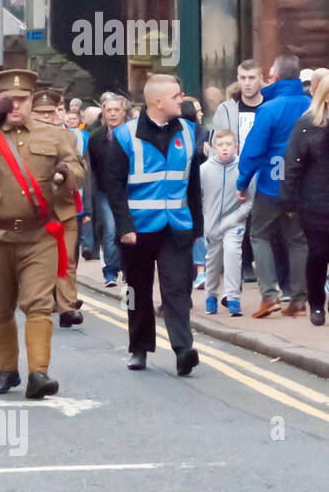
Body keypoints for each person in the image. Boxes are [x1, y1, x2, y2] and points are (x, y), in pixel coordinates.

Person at [0, 69, 83, 397]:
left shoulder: (55, 135)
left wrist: (65, 176)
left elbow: (77, 167)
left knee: (38, 304)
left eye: (22, 100)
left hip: (38, 235)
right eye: (8, 100)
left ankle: (38, 373)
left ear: (32, 101)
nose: (15, 106)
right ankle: (7, 371)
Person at [103, 74, 207, 375]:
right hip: (137, 228)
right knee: (138, 290)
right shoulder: (125, 136)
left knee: (177, 289)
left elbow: (193, 184)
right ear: (158, 102)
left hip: (176, 226)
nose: (182, 99)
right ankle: (139, 348)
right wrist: (124, 228)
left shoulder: (189, 132)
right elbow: (114, 185)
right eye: (176, 96)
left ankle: (183, 349)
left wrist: (196, 227)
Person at [238, 55, 311, 317]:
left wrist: (242, 182)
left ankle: (269, 296)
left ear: (276, 77)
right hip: (302, 186)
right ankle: (299, 300)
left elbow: (253, 151)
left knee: (259, 234)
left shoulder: (269, 108)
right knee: (298, 241)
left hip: (271, 184)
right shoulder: (311, 105)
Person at [31, 89, 86, 328]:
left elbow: (78, 169)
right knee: (39, 262)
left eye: (49, 112)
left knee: (67, 258)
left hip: (63, 206)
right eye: (39, 112)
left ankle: (67, 307)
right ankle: (40, 302)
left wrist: (65, 175)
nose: (45, 116)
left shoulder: (68, 138)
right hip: (33, 210)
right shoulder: (22, 138)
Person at [282, 73, 329, 326]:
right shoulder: (307, 124)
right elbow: (291, 165)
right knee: (319, 254)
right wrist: (288, 200)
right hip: (316, 203)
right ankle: (317, 304)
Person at [201, 129, 253, 317]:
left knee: (233, 254)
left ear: (236, 146)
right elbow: (198, 198)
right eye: (220, 145)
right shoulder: (204, 170)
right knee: (213, 262)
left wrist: (232, 220)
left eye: (228, 145)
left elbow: (249, 202)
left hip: (235, 223)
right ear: (214, 148)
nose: (224, 149)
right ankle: (211, 295)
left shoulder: (244, 169)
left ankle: (233, 298)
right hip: (212, 224)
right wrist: (204, 223)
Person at [88, 92, 130, 287]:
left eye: (116, 110)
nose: (113, 114)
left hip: (129, 191)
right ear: (104, 113)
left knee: (129, 230)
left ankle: (129, 269)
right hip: (106, 192)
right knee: (112, 230)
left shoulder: (132, 134)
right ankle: (110, 272)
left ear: (123, 112)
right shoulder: (96, 138)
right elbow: (94, 169)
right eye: (109, 110)